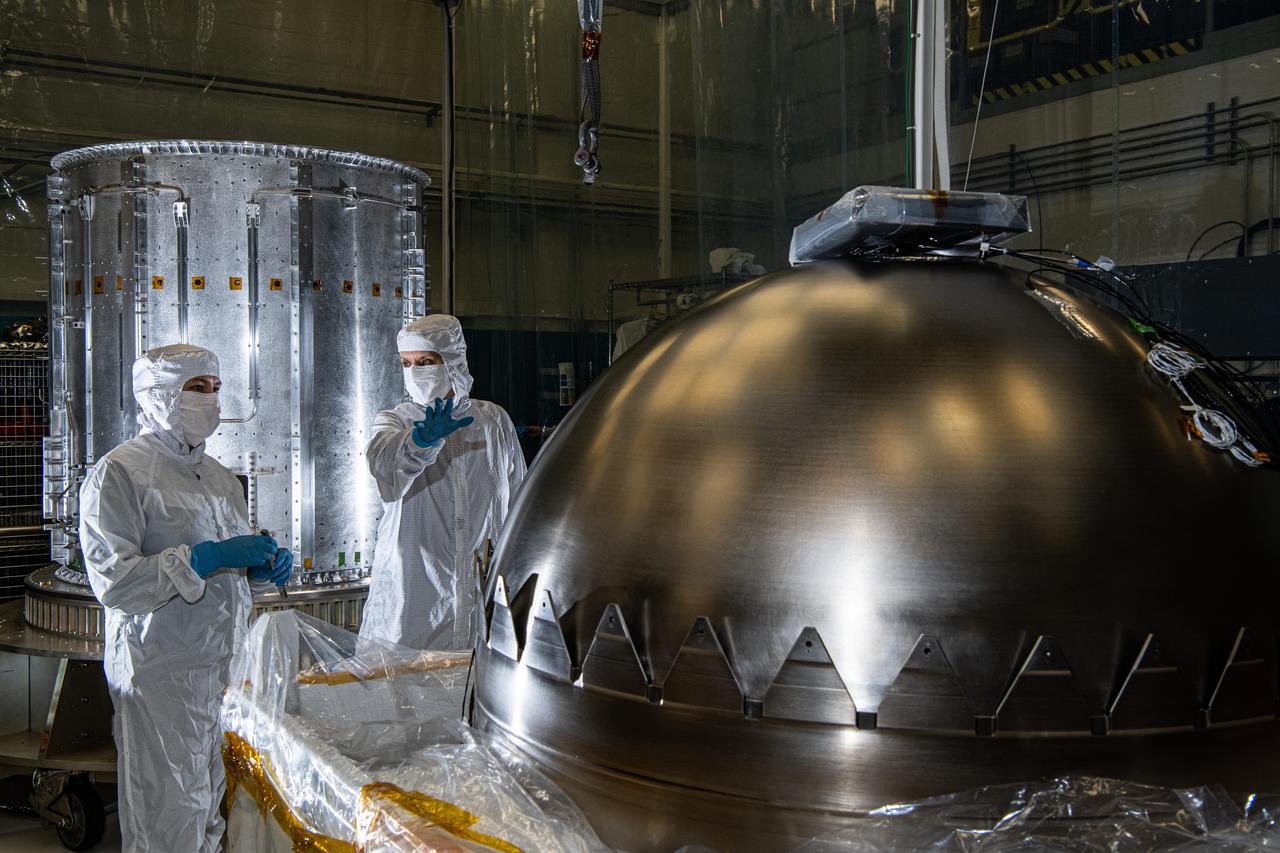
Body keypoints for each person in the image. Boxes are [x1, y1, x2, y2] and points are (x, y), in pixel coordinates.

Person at [79, 344, 292, 852]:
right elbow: (117, 583)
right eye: (198, 389)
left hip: (219, 668)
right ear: (159, 396)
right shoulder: (120, 473)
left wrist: (256, 570)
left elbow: (227, 573)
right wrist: (202, 558)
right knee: (166, 816)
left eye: (216, 389)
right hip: (159, 673)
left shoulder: (219, 477)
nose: (211, 401)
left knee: (212, 808)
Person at [361, 314, 526, 650]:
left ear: (452, 361)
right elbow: (383, 461)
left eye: (425, 361)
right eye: (406, 364)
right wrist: (420, 442)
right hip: (414, 604)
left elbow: (522, 501)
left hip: (483, 599)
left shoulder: (494, 421)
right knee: (405, 694)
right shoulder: (397, 421)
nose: (415, 371)